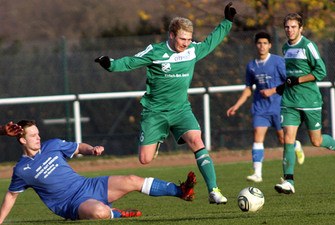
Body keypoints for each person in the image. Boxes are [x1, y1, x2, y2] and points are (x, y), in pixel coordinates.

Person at [95, 2, 237, 204]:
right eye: (182, 39)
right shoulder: (155, 52)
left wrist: (227, 22)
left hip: (181, 110)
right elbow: (130, 62)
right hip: (154, 112)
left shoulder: (193, 50)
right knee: (144, 159)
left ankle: (214, 191)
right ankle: (158, 139)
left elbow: (212, 41)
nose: (186, 43)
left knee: (197, 141)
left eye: (189, 39)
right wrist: (110, 64)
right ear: (171, 35)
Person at [0, 120, 197, 223]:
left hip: (88, 185)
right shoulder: (22, 169)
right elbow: (11, 196)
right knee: (99, 212)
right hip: (72, 204)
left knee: (132, 179)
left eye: (38, 133)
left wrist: (91, 149)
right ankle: (116, 214)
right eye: (33, 135)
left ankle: (181, 191)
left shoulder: (52, 145)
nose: (38, 137)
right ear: (22, 140)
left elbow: (78, 147)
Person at [226, 32, 304, 183]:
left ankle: (296, 145)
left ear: (269, 45)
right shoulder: (251, 66)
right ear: (256, 45)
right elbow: (248, 88)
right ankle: (257, 173)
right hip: (260, 108)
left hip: (278, 106)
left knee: (283, 138)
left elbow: (288, 81)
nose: (262, 46)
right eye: (259, 43)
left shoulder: (277, 62)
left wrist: (273, 90)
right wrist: (236, 105)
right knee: (257, 135)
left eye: (265, 43)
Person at [274, 13, 335, 194]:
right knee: (288, 139)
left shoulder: (308, 46)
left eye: (293, 27)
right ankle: (289, 182)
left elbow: (321, 71)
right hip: (290, 100)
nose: (289, 30)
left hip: (310, 100)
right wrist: (284, 86)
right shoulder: (285, 48)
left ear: (301, 28)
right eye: (287, 27)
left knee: (316, 141)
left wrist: (298, 80)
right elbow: (290, 75)